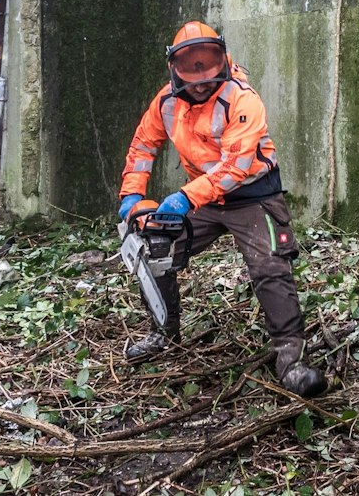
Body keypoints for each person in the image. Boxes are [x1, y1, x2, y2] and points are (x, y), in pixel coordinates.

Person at [115, 21, 327, 397]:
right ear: (175, 67)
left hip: (252, 194)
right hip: (204, 197)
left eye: (208, 67)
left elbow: (235, 167)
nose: (200, 80)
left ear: (221, 59)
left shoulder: (242, 98)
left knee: (269, 267)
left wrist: (183, 199)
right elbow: (143, 147)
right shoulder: (166, 102)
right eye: (191, 70)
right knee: (155, 247)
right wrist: (131, 196)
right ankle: (164, 331)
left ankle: (291, 361)